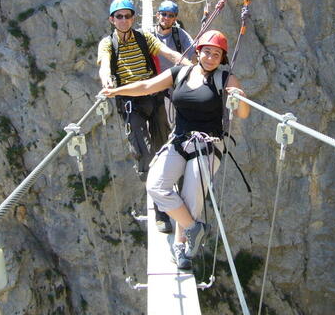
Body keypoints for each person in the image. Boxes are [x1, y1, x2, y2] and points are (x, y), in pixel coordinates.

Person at [101, 30, 250, 270]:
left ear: (222, 58)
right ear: (198, 52)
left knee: (191, 197)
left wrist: (239, 98)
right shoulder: (180, 72)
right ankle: (194, 228)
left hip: (208, 145)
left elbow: (243, 113)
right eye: (207, 52)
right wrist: (117, 91)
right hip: (180, 140)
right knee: (156, 186)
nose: (211, 57)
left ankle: (182, 248)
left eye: (217, 54)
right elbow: (147, 86)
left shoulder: (226, 79)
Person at [97, 0, 189, 233]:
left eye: (128, 16)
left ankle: (168, 191)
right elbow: (105, 65)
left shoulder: (144, 38)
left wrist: (192, 68)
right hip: (130, 102)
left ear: (133, 19)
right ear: (111, 20)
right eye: (119, 16)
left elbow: (168, 53)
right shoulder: (107, 44)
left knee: (162, 148)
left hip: (154, 97)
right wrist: (107, 80)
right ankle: (161, 209)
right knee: (143, 153)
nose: (124, 20)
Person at [151, 0, 196, 71]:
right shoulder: (149, 34)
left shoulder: (180, 34)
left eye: (171, 15)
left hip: (174, 77)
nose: (167, 18)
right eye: (164, 14)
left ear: (175, 19)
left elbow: (193, 54)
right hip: (154, 77)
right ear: (157, 15)